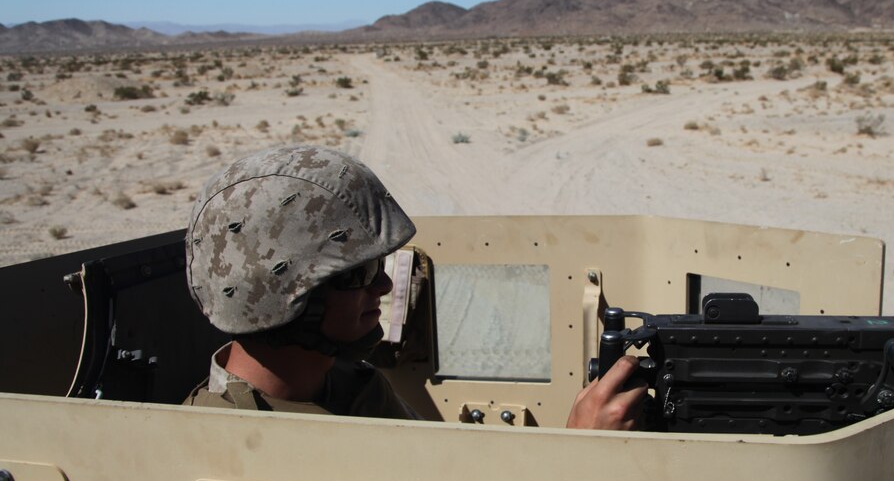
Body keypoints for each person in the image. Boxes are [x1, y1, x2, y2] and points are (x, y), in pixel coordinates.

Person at [184, 145, 645, 429]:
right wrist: (583, 455)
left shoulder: (350, 386)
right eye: (360, 274)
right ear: (286, 296)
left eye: (380, 265)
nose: (384, 284)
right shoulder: (224, 442)